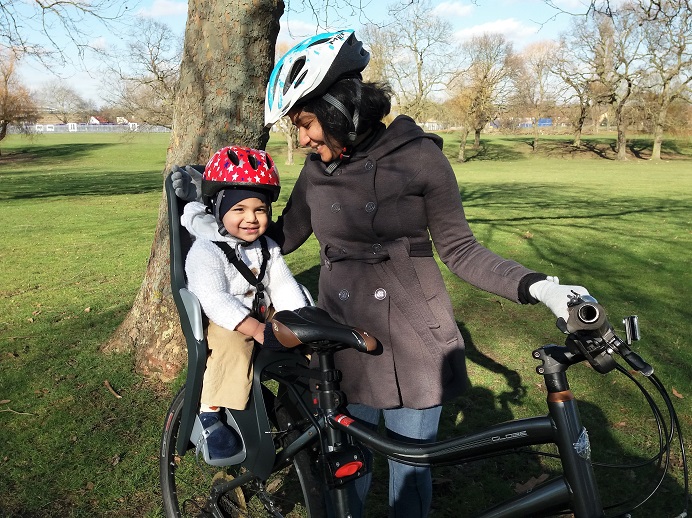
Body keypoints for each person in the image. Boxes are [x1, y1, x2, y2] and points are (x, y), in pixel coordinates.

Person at [175, 30, 591, 517]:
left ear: (340, 109)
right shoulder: (316, 171)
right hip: (342, 335)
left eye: (307, 123)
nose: (304, 138)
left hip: (416, 339)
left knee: (412, 469)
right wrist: (208, 215)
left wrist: (541, 288)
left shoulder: (420, 158)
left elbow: (461, 250)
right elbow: (278, 237)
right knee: (345, 460)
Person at [180, 145, 307, 461]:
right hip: (226, 319)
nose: (251, 219)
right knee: (232, 344)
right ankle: (210, 412)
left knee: (307, 331)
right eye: (239, 210)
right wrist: (256, 328)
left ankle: (305, 397)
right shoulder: (207, 251)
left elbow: (281, 283)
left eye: (260, 210)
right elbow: (214, 298)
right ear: (219, 210)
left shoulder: (267, 246)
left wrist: (297, 317)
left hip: (261, 311)